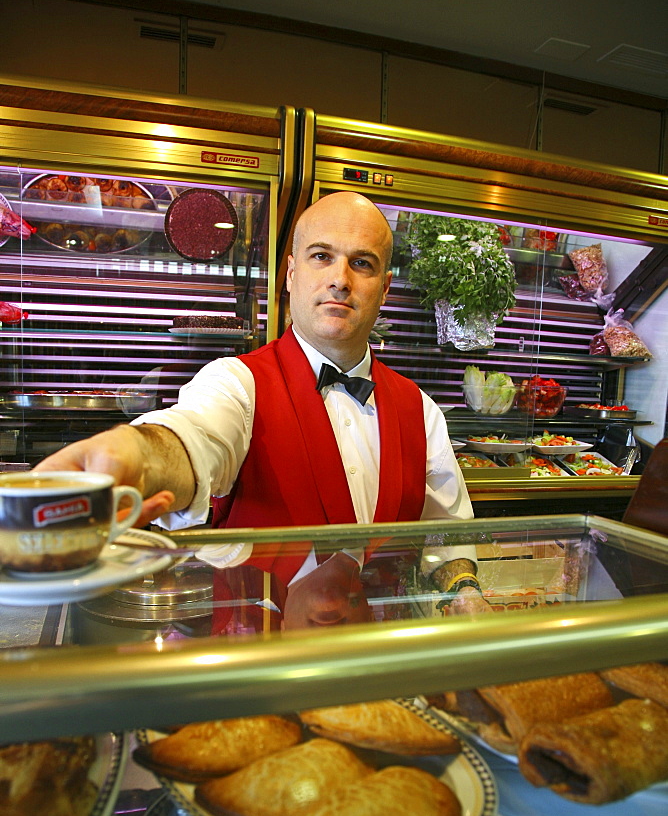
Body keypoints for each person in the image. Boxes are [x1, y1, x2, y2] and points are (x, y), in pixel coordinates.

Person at [35, 192, 488, 612]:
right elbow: (194, 434)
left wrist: (464, 592)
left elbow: (446, 533)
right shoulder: (237, 383)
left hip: (380, 659)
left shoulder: (421, 410)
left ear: (385, 288)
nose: (339, 279)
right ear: (291, 273)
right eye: (321, 257)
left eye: (362, 264)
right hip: (263, 652)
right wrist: (138, 454)